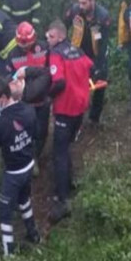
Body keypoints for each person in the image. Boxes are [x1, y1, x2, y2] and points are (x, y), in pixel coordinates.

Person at [45, 20, 94, 223]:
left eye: (50, 37)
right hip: (80, 108)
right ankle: (69, 182)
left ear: (60, 36)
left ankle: (63, 200)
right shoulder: (77, 50)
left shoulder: (56, 54)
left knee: (59, 152)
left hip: (65, 108)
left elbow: (59, 82)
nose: (48, 40)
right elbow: (90, 67)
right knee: (66, 147)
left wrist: (46, 95)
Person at [0, 76, 40, 255]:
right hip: (28, 165)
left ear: (2, 97)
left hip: (14, 173)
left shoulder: (0, 122)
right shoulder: (28, 109)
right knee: (24, 200)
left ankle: (8, 253)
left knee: (4, 211)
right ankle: (34, 234)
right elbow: (34, 133)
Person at [5, 22, 51, 163]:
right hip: (24, 102)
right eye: (22, 44)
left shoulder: (44, 48)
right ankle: (28, 158)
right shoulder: (12, 55)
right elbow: (8, 78)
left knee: (42, 131)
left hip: (43, 99)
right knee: (25, 133)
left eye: (27, 43)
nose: (25, 46)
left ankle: (36, 156)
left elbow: (51, 71)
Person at [65, 0, 111, 124]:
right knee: (76, 83)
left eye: (84, 3)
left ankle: (94, 118)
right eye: (79, 3)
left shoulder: (103, 16)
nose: (81, 6)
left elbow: (104, 43)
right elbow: (64, 25)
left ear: (92, 1)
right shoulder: (74, 11)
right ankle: (75, 114)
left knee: (100, 83)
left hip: (97, 52)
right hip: (79, 52)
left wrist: (99, 65)